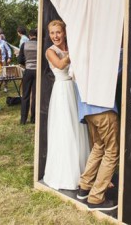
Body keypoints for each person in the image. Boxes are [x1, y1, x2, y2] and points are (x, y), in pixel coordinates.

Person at [42, 20, 89, 190]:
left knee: (78, 128)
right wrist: (76, 50)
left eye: (58, 32)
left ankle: (84, 173)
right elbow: (61, 64)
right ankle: (66, 175)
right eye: (52, 33)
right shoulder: (50, 51)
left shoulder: (70, 47)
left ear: (64, 33)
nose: (55, 36)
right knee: (65, 129)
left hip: (74, 89)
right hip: (62, 91)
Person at [18, 28, 37, 124]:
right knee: (35, 95)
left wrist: (26, 63)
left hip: (28, 70)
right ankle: (34, 118)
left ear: (29, 36)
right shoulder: (40, 45)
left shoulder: (24, 45)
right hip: (38, 71)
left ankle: (23, 119)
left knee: (25, 95)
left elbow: (20, 60)